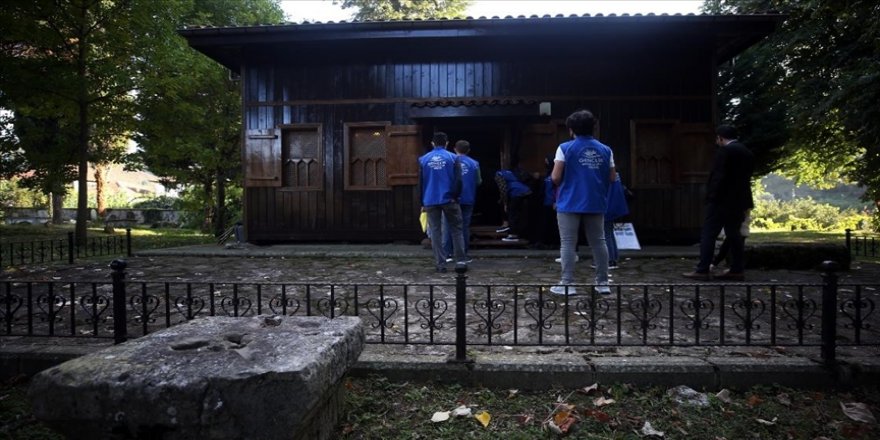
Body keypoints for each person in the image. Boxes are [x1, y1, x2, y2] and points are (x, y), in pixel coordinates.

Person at [551, 110, 616, 295]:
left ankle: (567, 284)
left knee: (568, 243)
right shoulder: (606, 149)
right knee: (599, 241)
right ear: (593, 127)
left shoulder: (565, 148)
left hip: (569, 201)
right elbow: (612, 177)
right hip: (596, 200)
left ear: (571, 129)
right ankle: (603, 282)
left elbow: (556, 177)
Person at [683, 124, 754, 281]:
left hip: (721, 200)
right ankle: (737, 268)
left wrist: (711, 196)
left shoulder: (725, 151)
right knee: (734, 234)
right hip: (739, 201)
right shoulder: (746, 152)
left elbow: (718, 177)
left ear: (720, 138)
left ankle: (703, 269)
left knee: (709, 234)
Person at [419, 132, 466, 273]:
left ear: (432, 143)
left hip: (430, 199)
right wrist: (455, 196)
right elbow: (458, 181)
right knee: (456, 230)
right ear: (447, 143)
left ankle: (441, 264)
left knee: (435, 232)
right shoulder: (453, 158)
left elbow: (420, 182)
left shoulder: (423, 160)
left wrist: (422, 201)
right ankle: (461, 262)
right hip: (449, 199)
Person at [442, 140, 481, 263]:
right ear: (468, 150)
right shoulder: (475, 164)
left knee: (448, 225)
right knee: (464, 226)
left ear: (454, 149)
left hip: (451, 198)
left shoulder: (450, 161)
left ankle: (447, 253)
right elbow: (479, 181)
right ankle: (463, 254)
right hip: (468, 198)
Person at [494, 161, 532, 242]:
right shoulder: (510, 173)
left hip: (516, 193)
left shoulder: (498, 174)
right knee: (518, 213)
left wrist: (505, 203)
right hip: (526, 191)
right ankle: (516, 230)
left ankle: (513, 234)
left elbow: (503, 189)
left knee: (512, 213)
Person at [603, 173, 630, 269]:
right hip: (613, 206)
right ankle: (613, 257)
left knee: (606, 234)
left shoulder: (604, 174)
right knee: (609, 233)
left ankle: (609, 260)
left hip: (606, 206)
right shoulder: (615, 175)